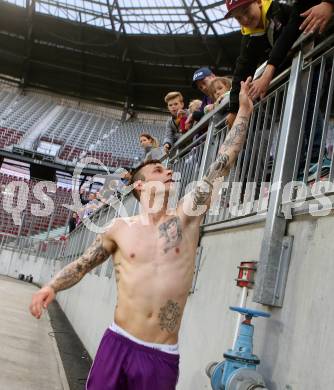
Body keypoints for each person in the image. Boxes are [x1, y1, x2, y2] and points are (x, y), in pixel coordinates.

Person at [29, 78, 253, 390]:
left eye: (169, 170)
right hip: (117, 343)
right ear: (140, 185)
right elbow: (82, 265)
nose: (171, 172)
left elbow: (221, 164)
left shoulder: (186, 218)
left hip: (160, 355)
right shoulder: (119, 229)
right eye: (159, 171)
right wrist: (50, 287)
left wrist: (243, 112)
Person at [224, 0, 334, 128]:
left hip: (312, 58)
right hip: (294, 74)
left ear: (258, 2)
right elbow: (242, 69)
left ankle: (316, 148)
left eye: (246, 11)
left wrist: (267, 74)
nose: (245, 19)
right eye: (238, 18)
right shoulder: (250, 37)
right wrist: (233, 109)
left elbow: (289, 34)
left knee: (307, 107)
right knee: (301, 112)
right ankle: (311, 147)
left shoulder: (278, 11)